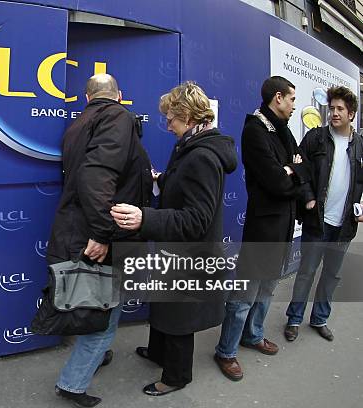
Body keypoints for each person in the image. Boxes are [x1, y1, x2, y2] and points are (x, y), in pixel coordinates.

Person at [110, 81, 237, 396]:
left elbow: (197, 219)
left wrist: (145, 217)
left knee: (178, 317)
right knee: (164, 306)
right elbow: (185, 185)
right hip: (175, 250)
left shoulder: (202, 157)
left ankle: (176, 376)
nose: (166, 125)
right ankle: (157, 353)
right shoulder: (191, 146)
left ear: (190, 117)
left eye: (171, 119)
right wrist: (163, 179)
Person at [48, 73, 153, 407]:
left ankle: (97, 357)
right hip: (103, 233)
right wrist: (103, 233)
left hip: (80, 227)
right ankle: (72, 383)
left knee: (97, 304)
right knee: (106, 313)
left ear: (86, 97)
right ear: (119, 95)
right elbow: (95, 177)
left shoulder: (81, 122)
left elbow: (97, 172)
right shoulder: (118, 117)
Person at [214, 76, 309, 381]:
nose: (295, 105)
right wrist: (291, 172)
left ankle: (252, 336)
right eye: (292, 99)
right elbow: (277, 182)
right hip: (263, 227)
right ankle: (225, 352)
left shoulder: (282, 129)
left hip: (282, 226)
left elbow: (301, 167)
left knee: (267, 288)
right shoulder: (255, 130)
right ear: (278, 98)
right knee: (245, 293)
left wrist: (292, 169)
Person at [285, 86, 363, 342]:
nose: (334, 113)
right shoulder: (315, 138)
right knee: (306, 272)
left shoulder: (360, 144)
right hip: (317, 221)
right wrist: (307, 197)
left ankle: (320, 319)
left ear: (351, 113)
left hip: (344, 225)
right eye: (332, 108)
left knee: (332, 275)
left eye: (340, 109)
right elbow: (299, 167)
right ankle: (294, 319)